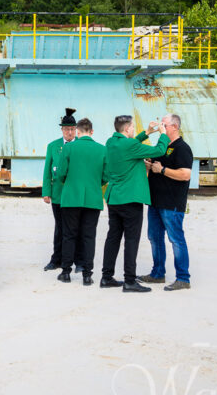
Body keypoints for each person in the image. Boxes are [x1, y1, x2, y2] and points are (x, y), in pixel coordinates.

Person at [102, 115, 169, 293]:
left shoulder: (111, 142)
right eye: (132, 127)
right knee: (131, 240)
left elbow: (131, 144)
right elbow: (159, 150)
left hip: (114, 198)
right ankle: (129, 280)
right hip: (130, 199)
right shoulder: (130, 146)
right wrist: (163, 133)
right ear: (127, 129)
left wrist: (146, 132)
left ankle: (106, 276)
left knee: (113, 238)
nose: (133, 130)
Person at [141, 113, 194, 291]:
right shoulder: (161, 146)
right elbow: (154, 169)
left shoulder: (182, 148)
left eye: (164, 124)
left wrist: (162, 170)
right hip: (155, 201)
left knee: (176, 239)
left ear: (174, 127)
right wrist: (150, 166)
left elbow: (185, 174)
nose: (161, 127)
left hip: (172, 203)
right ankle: (157, 273)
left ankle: (183, 278)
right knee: (154, 237)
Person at [54, 118, 107, 286]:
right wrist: (94, 184)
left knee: (69, 235)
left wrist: (68, 182)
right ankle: (87, 274)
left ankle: (66, 272)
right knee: (88, 236)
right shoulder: (102, 149)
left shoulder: (68, 147)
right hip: (92, 197)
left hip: (71, 197)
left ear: (77, 131)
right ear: (91, 132)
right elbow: (107, 175)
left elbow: (61, 173)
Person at [42, 108, 84, 273]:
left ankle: (79, 260)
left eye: (72, 129)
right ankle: (57, 259)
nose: (69, 132)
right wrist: (46, 191)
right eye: (67, 129)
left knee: (78, 227)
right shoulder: (53, 146)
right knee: (60, 227)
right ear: (62, 130)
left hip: (76, 194)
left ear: (76, 130)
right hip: (59, 194)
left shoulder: (81, 145)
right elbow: (47, 170)